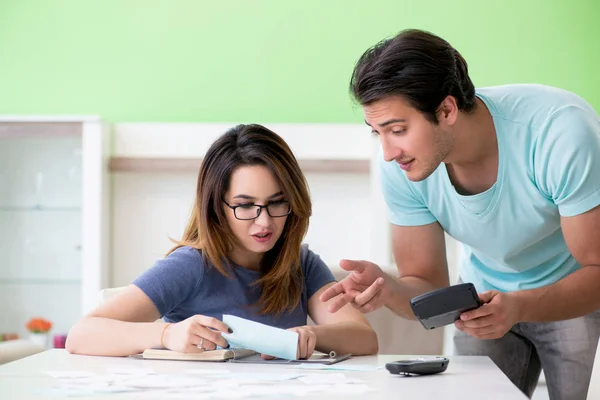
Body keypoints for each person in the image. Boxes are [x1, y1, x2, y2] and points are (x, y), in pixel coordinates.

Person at [320, 29, 600, 399]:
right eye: (377, 133)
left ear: (447, 110)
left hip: (572, 292)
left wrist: (520, 306)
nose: (388, 152)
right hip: (483, 300)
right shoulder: (401, 169)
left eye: (398, 130)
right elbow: (427, 285)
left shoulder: (559, 132)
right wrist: (389, 289)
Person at [66, 123, 378, 359]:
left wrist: (312, 334)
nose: (264, 221)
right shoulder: (191, 265)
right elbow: (81, 335)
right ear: (218, 207)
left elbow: (364, 338)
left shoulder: (301, 264)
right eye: (244, 206)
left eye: (277, 203)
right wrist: (167, 334)